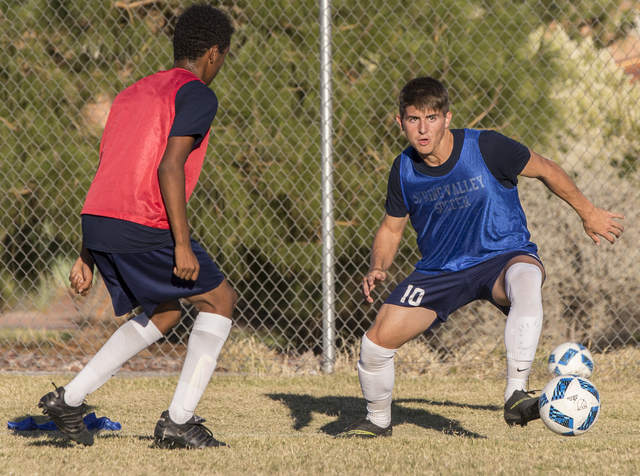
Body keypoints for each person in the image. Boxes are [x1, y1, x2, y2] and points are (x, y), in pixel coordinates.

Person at [339, 76, 624, 438]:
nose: (423, 129)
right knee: (375, 342)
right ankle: (377, 421)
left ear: (447, 117)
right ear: (400, 123)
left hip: (501, 256)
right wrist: (378, 267)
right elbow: (391, 229)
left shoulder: (487, 146)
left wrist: (589, 212)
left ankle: (515, 394)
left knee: (526, 281)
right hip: (440, 270)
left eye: (431, 118)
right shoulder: (404, 169)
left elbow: (548, 169)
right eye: (413, 119)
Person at [37, 4, 236, 449]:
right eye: (223, 57)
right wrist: (181, 245)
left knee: (164, 312)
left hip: (100, 218)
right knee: (220, 299)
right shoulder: (198, 94)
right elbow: (169, 168)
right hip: (140, 220)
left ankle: (69, 400)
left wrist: (87, 250)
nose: (221, 65)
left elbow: (112, 166)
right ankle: (180, 422)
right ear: (211, 54)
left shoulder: (133, 92)